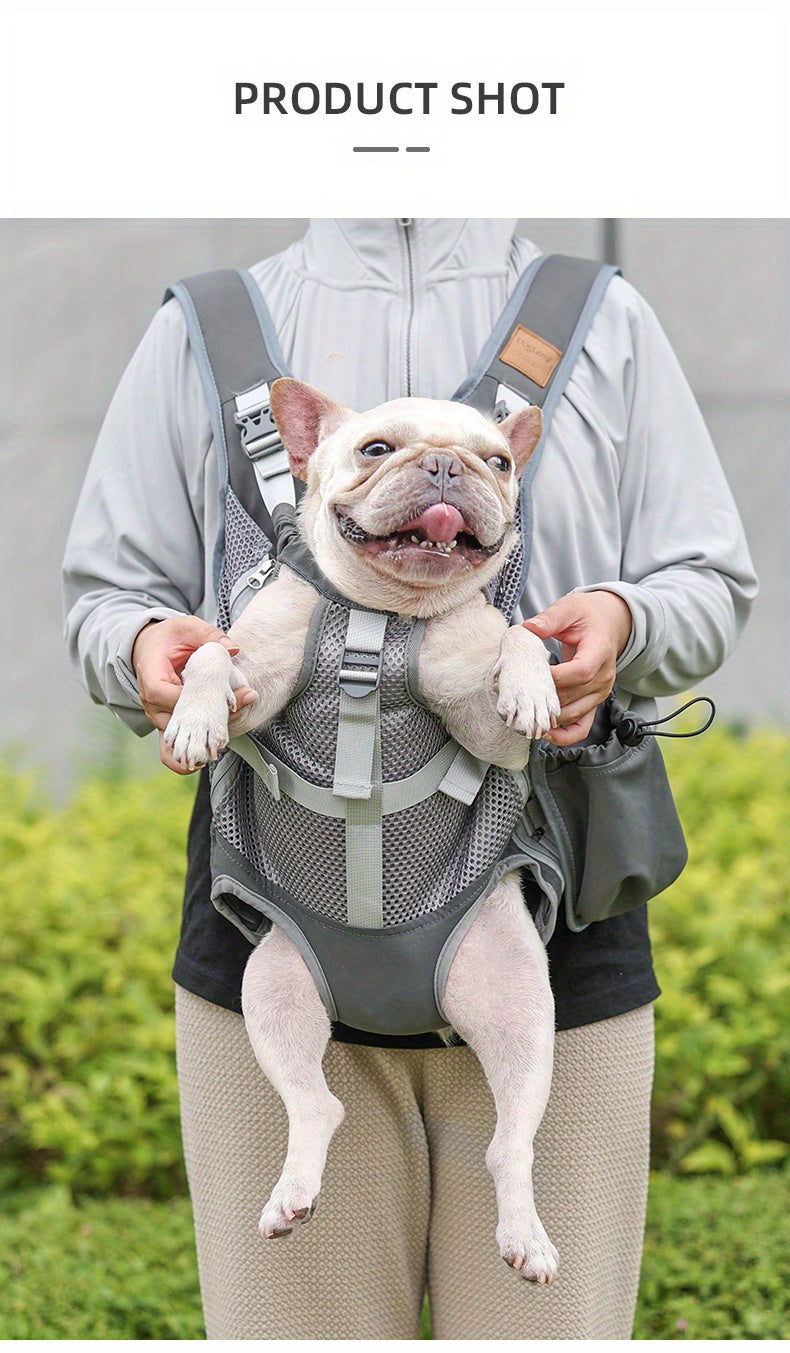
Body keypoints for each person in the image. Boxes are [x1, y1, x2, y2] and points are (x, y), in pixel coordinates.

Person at [62, 218, 757, 1340]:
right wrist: (145, 647)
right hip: (276, 928)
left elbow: (707, 577)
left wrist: (625, 622)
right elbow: (107, 595)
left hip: (552, 926)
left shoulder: (603, 316)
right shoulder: (205, 328)